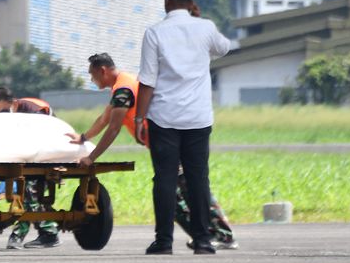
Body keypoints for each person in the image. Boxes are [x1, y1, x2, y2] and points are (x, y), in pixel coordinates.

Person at [77, 52, 236, 248]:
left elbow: (113, 128)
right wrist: (83, 138)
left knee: (181, 192)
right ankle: (210, 235)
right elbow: (104, 119)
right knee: (180, 193)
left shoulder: (123, 90)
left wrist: (91, 158)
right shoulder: (124, 84)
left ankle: (220, 236)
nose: (92, 80)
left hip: (169, 145)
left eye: (92, 75)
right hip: (167, 143)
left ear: (103, 70)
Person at [134, 0, 233, 255]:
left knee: (164, 179)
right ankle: (202, 240)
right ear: (191, 2)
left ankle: (164, 241)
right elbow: (224, 47)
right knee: (198, 178)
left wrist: (139, 119)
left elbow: (147, 81)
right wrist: (200, 19)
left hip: (163, 118)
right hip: (198, 119)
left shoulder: (155, 32)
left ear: (166, 0)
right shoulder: (205, 28)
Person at [0, 86, 60, 250]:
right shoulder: (14, 114)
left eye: (3, 110)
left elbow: (41, 136)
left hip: (46, 155)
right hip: (32, 157)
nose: (2, 115)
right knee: (29, 194)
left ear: (11, 103)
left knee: (28, 193)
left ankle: (45, 233)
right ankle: (31, 235)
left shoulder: (31, 110)